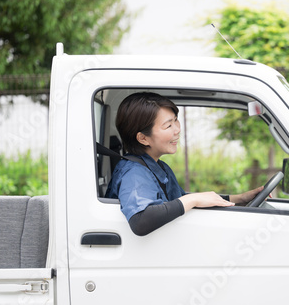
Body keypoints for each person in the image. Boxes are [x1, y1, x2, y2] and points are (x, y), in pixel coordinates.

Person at [105, 92, 263, 236]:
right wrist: (194, 200)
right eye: (168, 125)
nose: (177, 130)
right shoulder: (134, 172)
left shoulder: (158, 166)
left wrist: (240, 198)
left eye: (175, 121)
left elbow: (177, 200)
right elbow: (141, 220)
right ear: (143, 138)